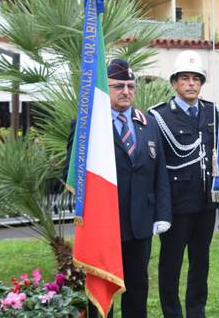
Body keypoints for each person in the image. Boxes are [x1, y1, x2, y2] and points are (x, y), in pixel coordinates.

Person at [68, 59, 172, 318]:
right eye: (118, 86)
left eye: (130, 86)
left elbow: (160, 173)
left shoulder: (148, 123)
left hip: (140, 223)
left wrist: (162, 213)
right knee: (103, 288)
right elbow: (71, 175)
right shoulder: (88, 127)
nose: (126, 91)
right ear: (106, 88)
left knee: (137, 287)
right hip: (104, 223)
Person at [149, 51, 218, 318]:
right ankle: (172, 312)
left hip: (205, 202)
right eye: (185, 78)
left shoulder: (213, 111)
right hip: (176, 205)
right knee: (171, 264)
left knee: (201, 262)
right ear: (174, 83)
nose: (191, 83)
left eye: (196, 79)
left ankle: (196, 310)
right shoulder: (159, 116)